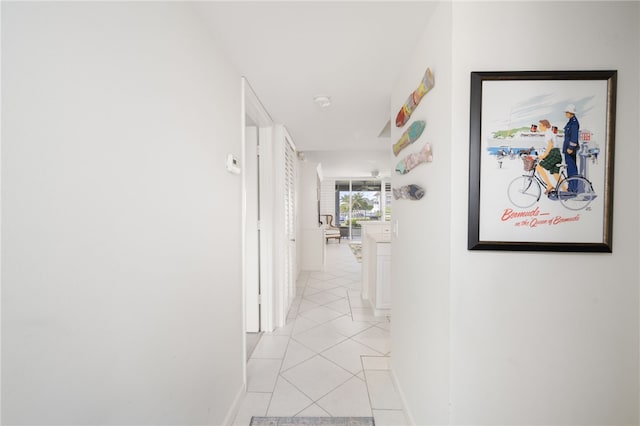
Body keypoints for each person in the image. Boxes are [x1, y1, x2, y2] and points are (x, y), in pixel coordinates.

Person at [535, 119, 562, 194]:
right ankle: (565, 190)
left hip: (553, 153)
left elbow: (550, 145)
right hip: (556, 153)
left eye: (540, 125)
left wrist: (543, 156)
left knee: (538, 167)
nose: (539, 127)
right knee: (555, 174)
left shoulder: (548, 133)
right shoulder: (550, 132)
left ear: (544, 125)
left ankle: (549, 185)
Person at [563, 104, 580, 191]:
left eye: (566, 112)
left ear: (570, 113)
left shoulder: (573, 123)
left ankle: (573, 189)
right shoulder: (571, 121)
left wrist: (570, 148)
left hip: (570, 150)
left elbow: (574, 137)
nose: (565, 114)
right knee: (570, 169)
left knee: (572, 169)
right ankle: (571, 188)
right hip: (568, 150)